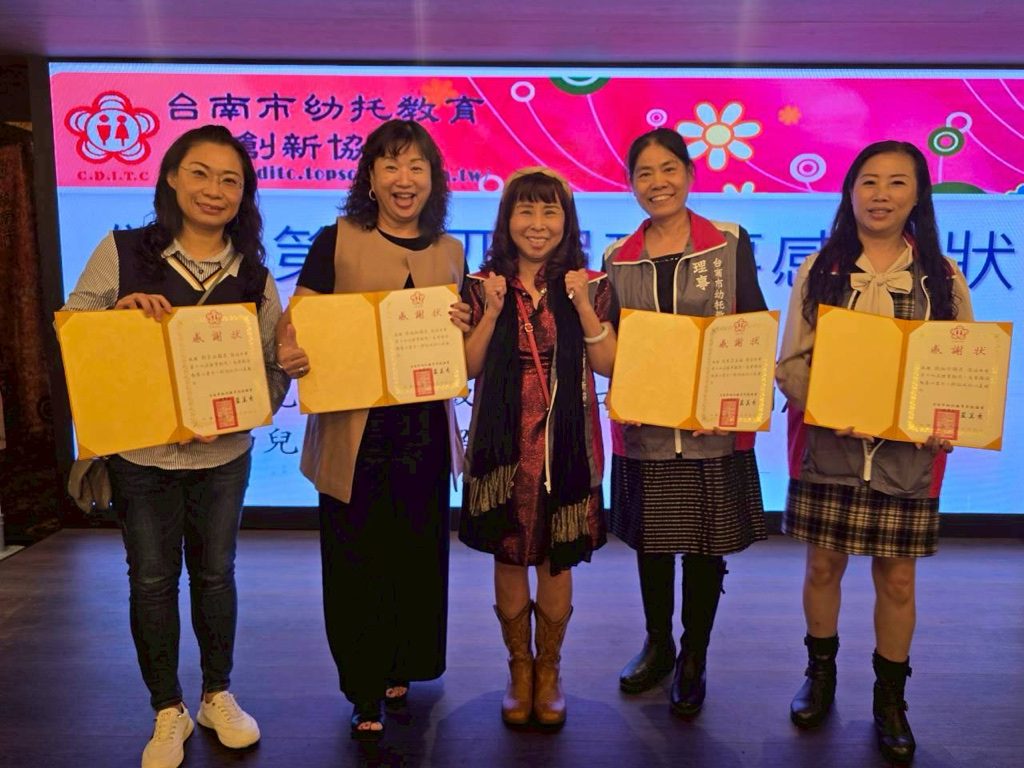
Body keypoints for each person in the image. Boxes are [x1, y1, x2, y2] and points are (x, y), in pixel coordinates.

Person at [62, 124, 288, 768]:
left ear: (244, 195)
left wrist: (250, 409)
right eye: (200, 173)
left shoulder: (254, 275)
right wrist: (117, 317)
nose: (214, 190)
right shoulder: (123, 250)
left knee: (216, 576)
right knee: (152, 581)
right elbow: (73, 328)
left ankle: (217, 694)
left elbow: (273, 368)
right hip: (142, 457)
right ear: (170, 177)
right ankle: (168, 708)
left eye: (230, 180)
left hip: (223, 458)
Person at [776, 140, 973, 763]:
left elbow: (962, 369)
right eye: (868, 181)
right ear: (850, 192)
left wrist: (948, 419)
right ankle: (820, 676)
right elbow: (791, 364)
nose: (881, 194)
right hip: (830, 450)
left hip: (907, 458)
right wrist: (832, 404)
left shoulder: (943, 277)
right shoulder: (821, 269)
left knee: (898, 578)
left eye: (896, 182)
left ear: (918, 196)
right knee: (822, 567)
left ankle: (890, 699)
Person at [274, 119, 469, 740]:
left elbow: (458, 346)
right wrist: (291, 348)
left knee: (417, 554)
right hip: (353, 433)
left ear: (433, 179)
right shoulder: (336, 240)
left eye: (416, 166)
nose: (403, 179)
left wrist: (468, 322)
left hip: (424, 430)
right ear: (370, 178)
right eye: (390, 165)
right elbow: (298, 323)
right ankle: (362, 686)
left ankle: (403, 665)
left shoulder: (451, 251)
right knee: (355, 560)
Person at [603, 128, 768, 719]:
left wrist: (730, 402)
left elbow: (751, 326)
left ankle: (694, 654)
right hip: (646, 430)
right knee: (652, 544)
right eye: (644, 173)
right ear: (631, 185)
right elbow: (613, 344)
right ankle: (658, 643)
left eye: (669, 169)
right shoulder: (616, 258)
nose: (658, 183)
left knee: (704, 547)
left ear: (690, 174)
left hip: (711, 430)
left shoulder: (729, 242)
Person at [459, 168, 618, 728]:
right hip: (502, 448)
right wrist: (492, 311)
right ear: (507, 220)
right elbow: (466, 368)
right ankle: (519, 669)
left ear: (566, 222)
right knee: (508, 555)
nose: (537, 223)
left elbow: (609, 364)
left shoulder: (592, 284)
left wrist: (584, 305)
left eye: (550, 212)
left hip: (566, 443)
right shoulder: (481, 285)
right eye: (525, 210)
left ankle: (549, 670)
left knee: (556, 558)